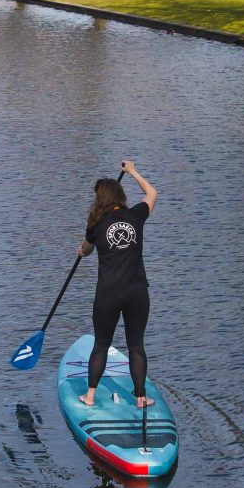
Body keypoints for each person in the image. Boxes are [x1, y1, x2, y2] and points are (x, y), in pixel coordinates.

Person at [79, 159, 158, 408]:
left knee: (101, 344)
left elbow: (88, 249)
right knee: (136, 346)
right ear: (120, 196)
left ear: (99, 198)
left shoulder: (95, 224)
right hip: (137, 293)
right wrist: (133, 171)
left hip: (108, 295)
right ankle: (141, 398)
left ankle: (90, 396)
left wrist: (82, 250)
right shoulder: (135, 216)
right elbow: (152, 193)